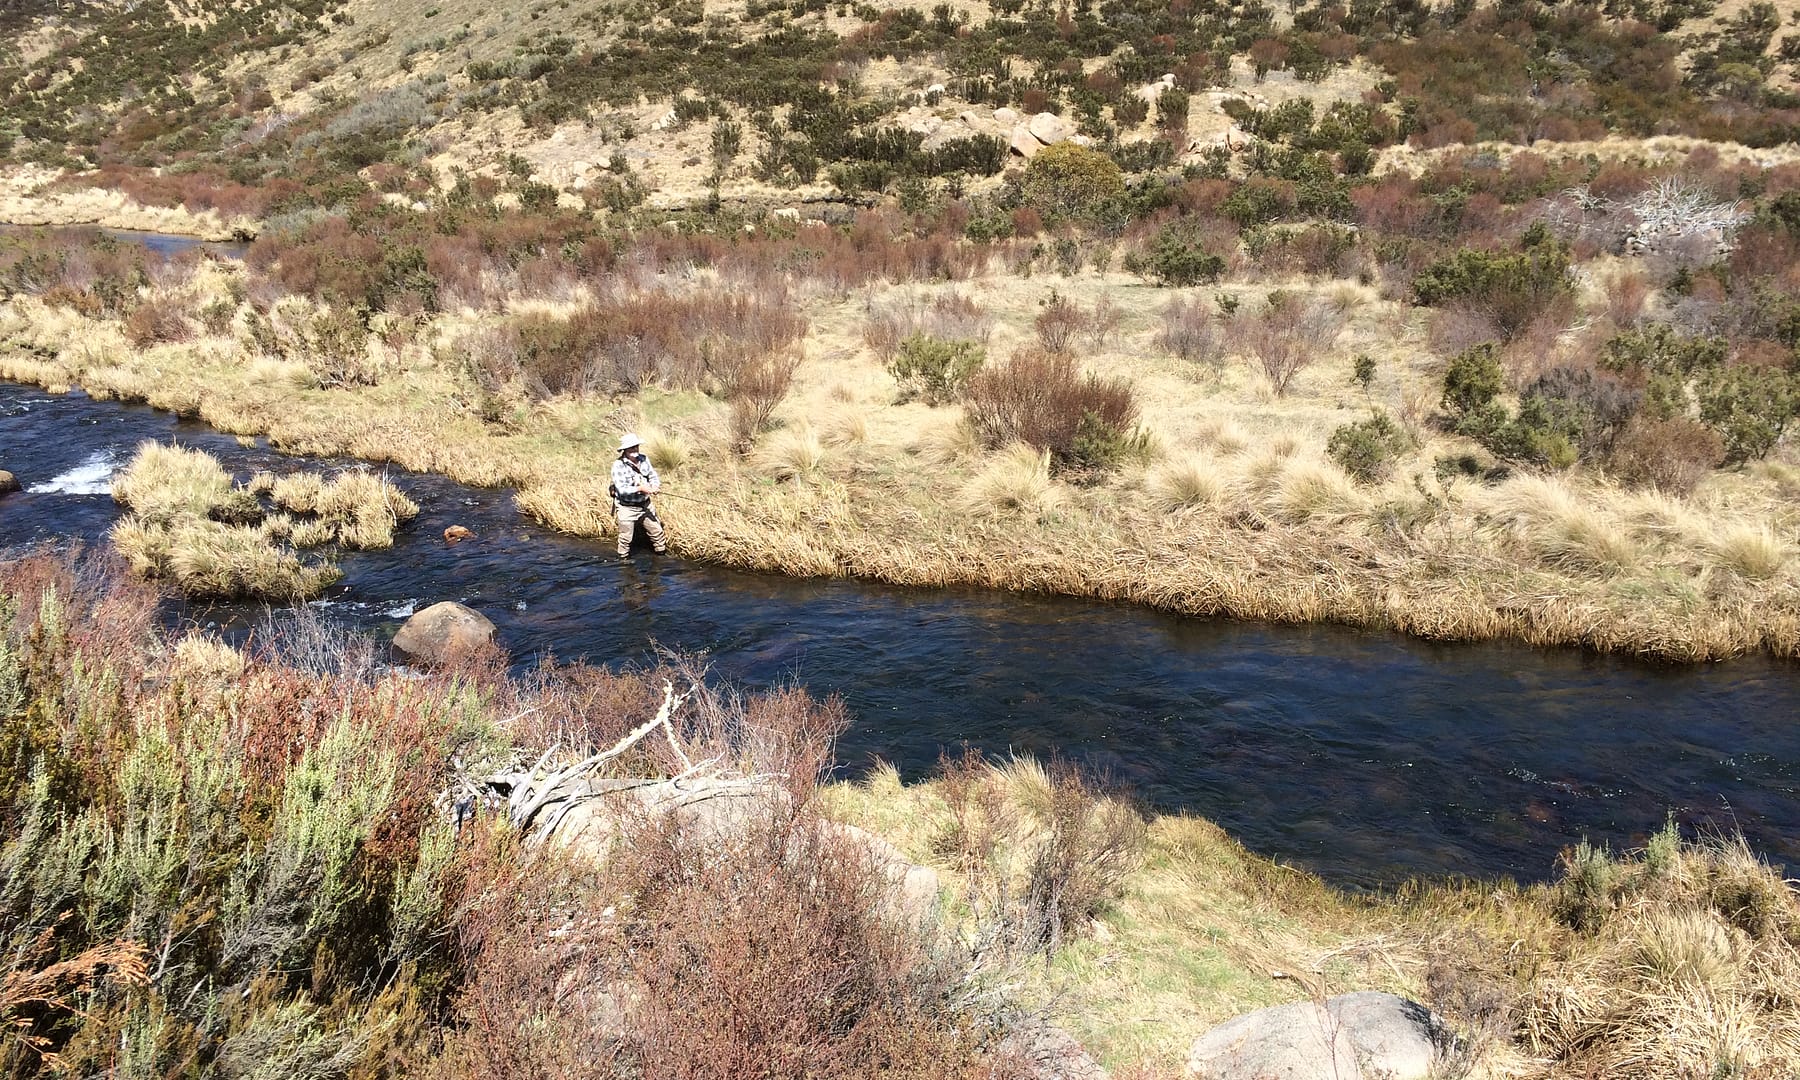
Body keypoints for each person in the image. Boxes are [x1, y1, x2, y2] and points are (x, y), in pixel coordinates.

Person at [610, 433, 667, 557]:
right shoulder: (618, 466)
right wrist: (641, 488)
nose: (635, 450)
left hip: (645, 505)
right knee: (625, 539)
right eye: (631, 448)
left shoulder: (644, 459)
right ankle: (623, 562)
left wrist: (654, 486)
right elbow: (622, 490)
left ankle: (661, 555)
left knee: (657, 532)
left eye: (636, 446)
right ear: (625, 450)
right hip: (627, 507)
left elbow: (652, 476)